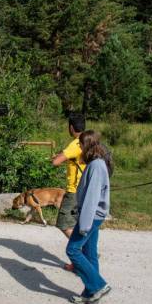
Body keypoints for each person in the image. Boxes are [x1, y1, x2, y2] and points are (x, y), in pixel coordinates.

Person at [66, 130, 111, 304]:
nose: (79, 148)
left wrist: (84, 224)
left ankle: (99, 285)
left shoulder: (96, 166)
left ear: (86, 145)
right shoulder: (96, 163)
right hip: (92, 216)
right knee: (89, 252)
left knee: (73, 250)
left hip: (90, 217)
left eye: (80, 144)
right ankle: (90, 292)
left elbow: (92, 197)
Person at [51, 113, 86, 271]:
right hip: (85, 188)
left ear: (71, 128)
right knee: (78, 224)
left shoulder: (75, 143)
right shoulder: (88, 141)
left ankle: (81, 256)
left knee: (63, 223)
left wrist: (58, 157)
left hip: (74, 190)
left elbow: (55, 162)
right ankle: (83, 255)